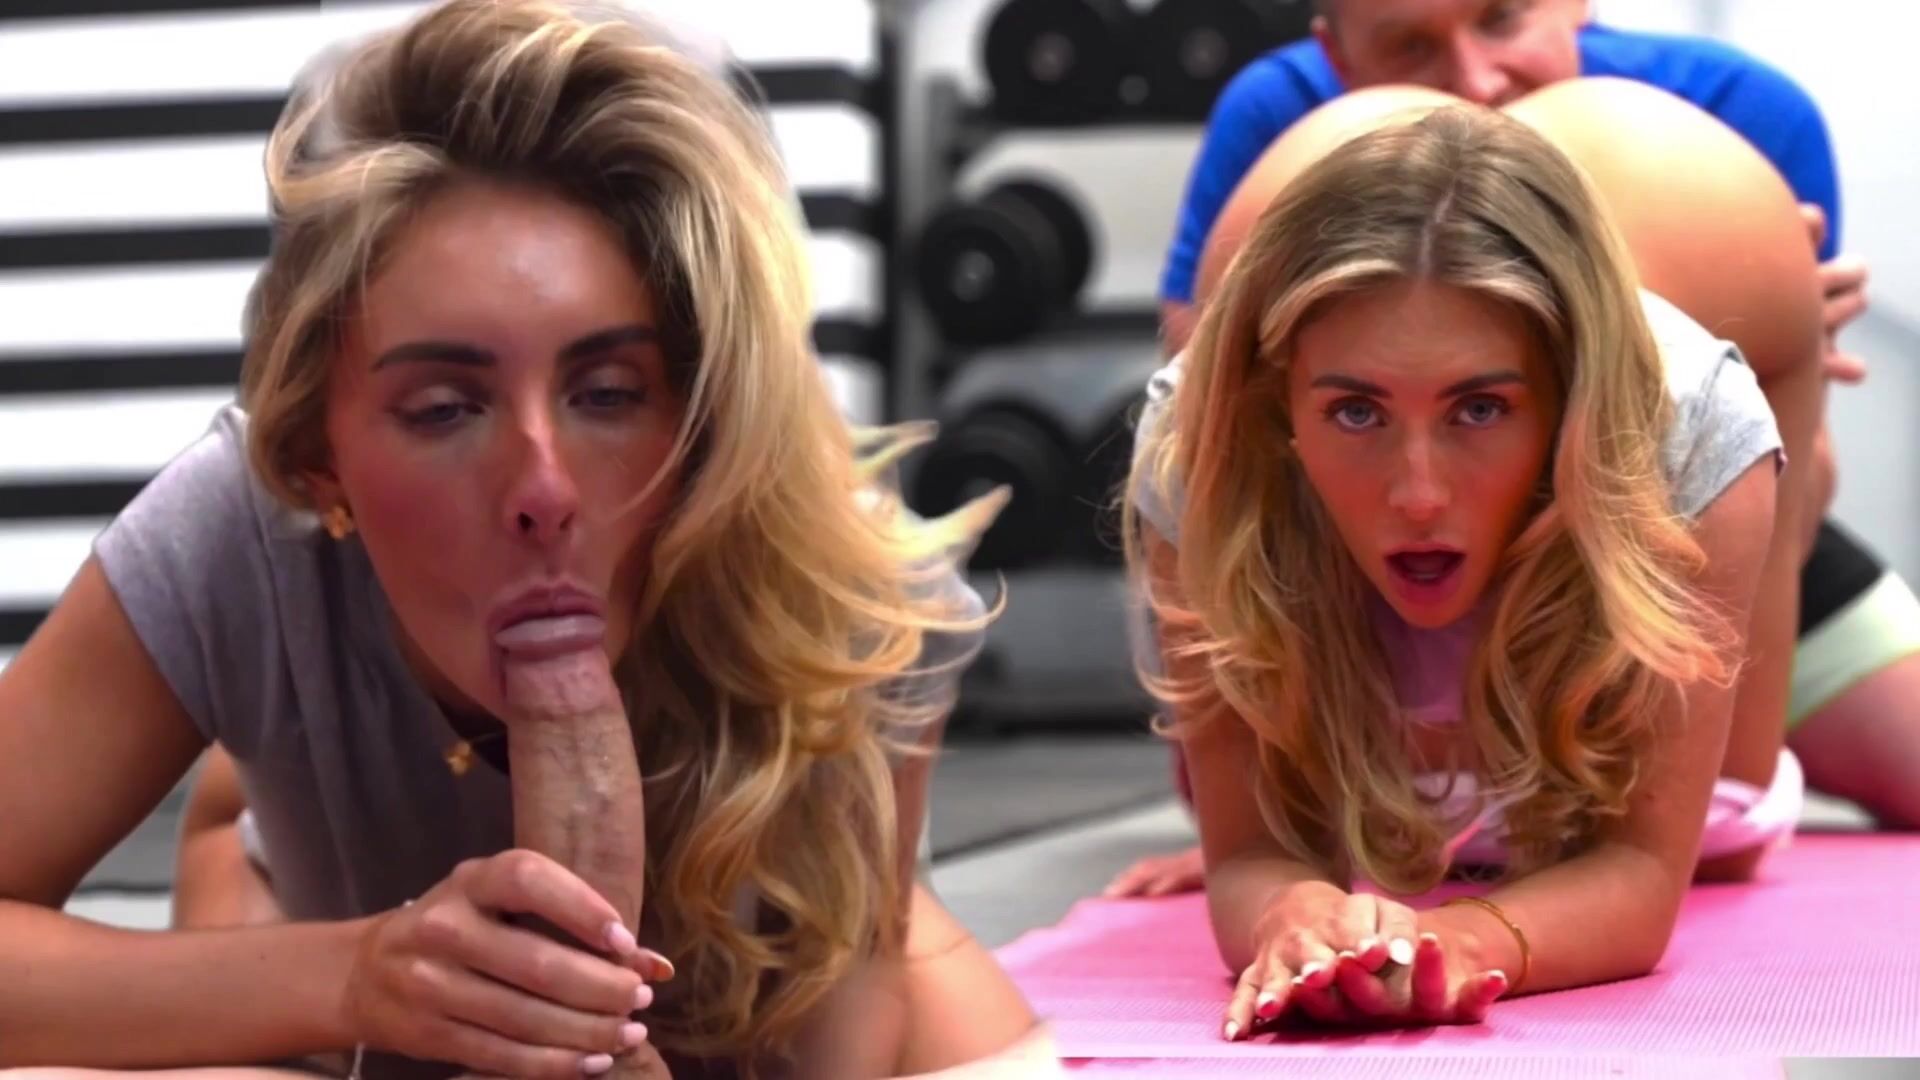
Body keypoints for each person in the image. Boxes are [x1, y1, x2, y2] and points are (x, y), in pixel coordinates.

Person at [0, 3, 1054, 1078]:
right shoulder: (241, 533)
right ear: (320, 454)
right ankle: (239, 808)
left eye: (609, 393)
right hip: (327, 899)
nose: (543, 491)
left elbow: (854, 990)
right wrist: (355, 975)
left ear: (699, 421)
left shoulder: (853, 596)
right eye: (444, 409)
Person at [1108, 0, 1920, 900]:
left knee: (1713, 821)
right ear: (1335, 54)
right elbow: (1221, 474)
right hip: (1347, 515)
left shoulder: (1734, 139)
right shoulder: (1266, 131)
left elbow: (1799, 490)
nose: (1476, 82)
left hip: (1668, 506)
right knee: (1316, 789)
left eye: (1500, 20)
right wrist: (1273, 843)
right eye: (1411, 46)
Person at [1124, 81, 1819, 1038]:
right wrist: (1293, 909)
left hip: (1697, 343)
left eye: (1479, 409)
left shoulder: (1693, 429)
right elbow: (1250, 855)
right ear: (1281, 405)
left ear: (1566, 405)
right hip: (1327, 457)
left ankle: (1808, 478)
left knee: (1727, 821)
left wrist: (1453, 943)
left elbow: (1640, 874)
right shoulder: (1200, 441)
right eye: (1356, 411)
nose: (1418, 495)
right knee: (1318, 787)